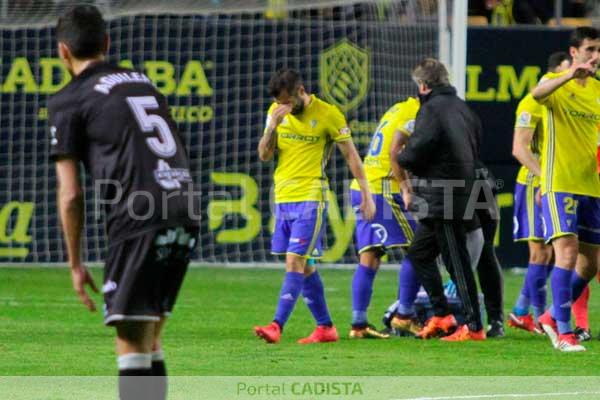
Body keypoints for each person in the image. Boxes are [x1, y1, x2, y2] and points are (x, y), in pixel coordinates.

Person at [49, 5, 199, 399]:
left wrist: (75, 263)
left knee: (132, 343)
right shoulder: (143, 82)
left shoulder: (69, 99)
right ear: (107, 43)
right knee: (149, 337)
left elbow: (70, 195)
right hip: (184, 207)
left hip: (139, 216)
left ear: (63, 51)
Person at [254, 68, 375, 344]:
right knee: (305, 265)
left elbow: (351, 156)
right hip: (283, 198)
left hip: (312, 196)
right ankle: (325, 328)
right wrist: (272, 126)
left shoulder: (328, 114)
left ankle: (276, 326)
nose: (283, 107)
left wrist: (366, 193)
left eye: (287, 101)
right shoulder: (275, 113)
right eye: (279, 102)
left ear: (300, 91)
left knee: (294, 261)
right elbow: (264, 155)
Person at [397, 58, 487, 342]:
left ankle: (474, 327)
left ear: (423, 86)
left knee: (456, 262)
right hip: (459, 190)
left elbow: (419, 149)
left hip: (443, 195)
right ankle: (441, 314)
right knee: (420, 254)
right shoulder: (463, 108)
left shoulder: (431, 109)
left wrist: (402, 156)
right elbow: (476, 143)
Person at [532, 26, 600, 352]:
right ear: (574, 52)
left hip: (592, 185)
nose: (595, 56)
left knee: (590, 264)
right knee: (567, 253)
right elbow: (536, 94)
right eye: (589, 49)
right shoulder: (556, 85)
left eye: (598, 50)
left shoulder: (598, 91)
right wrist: (571, 74)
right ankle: (564, 332)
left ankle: (548, 317)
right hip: (560, 183)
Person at [509, 51, 570, 333]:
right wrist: (543, 178)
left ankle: (522, 310)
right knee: (541, 254)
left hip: (559, 180)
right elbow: (519, 149)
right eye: (567, 70)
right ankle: (536, 316)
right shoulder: (533, 102)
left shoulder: (567, 102)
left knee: (556, 252)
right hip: (536, 181)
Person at [348, 97, 419, 339]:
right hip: (382, 189)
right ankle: (404, 317)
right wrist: (406, 187)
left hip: (362, 186)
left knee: (369, 258)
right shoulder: (414, 112)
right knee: (420, 251)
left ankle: (358, 325)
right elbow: (395, 152)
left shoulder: (398, 107)